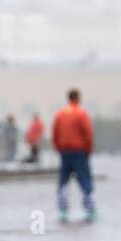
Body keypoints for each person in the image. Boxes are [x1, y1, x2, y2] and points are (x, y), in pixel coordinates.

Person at [52, 88, 96, 222]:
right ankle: (89, 209)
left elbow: (55, 133)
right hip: (79, 152)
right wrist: (88, 150)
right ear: (78, 98)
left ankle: (63, 210)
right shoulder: (81, 114)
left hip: (65, 151)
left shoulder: (60, 114)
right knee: (85, 180)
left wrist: (59, 148)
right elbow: (88, 133)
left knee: (63, 181)